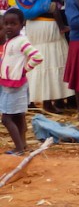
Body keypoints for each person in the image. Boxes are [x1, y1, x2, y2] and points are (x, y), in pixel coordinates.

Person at [0, 9, 43, 155]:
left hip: (14, 85)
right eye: (6, 23)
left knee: (6, 119)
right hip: (10, 83)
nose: (9, 27)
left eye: (13, 23)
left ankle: (18, 148)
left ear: (22, 24)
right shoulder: (10, 41)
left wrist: (24, 70)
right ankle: (23, 145)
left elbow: (37, 57)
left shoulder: (21, 41)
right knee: (18, 115)